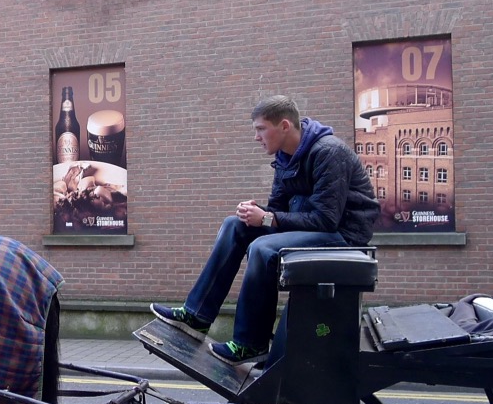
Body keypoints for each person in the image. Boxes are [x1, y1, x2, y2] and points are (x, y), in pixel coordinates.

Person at [151, 96, 378, 365]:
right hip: (316, 229)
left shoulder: (329, 152)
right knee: (235, 225)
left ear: (284, 126)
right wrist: (255, 213)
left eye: (261, 129)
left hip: (344, 237)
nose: (256, 137)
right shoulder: (284, 157)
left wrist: (268, 218)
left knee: (262, 248)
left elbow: (326, 220)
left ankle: (251, 344)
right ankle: (196, 316)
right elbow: (278, 210)